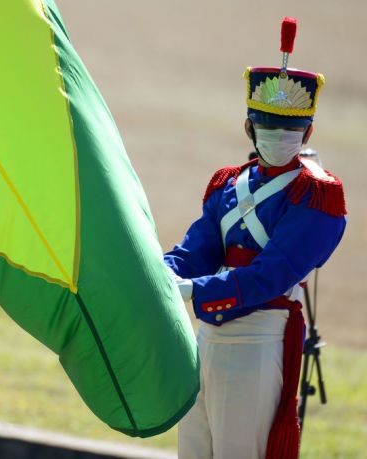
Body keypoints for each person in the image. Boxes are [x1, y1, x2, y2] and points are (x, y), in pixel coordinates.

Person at [165, 17, 347, 459]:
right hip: (206, 334)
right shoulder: (229, 183)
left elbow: (272, 274)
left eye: (289, 130)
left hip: (258, 338)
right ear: (249, 127)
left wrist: (191, 289)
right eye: (267, 125)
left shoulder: (318, 194)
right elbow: (197, 250)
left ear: (307, 133)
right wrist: (161, 272)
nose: (279, 137)